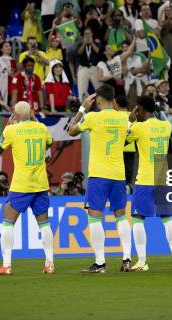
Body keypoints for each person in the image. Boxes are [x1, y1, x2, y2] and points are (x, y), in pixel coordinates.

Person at [68, 85, 132, 273]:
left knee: (95, 217)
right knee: (121, 216)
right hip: (119, 174)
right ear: (113, 99)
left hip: (99, 174)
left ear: (96, 101)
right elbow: (129, 132)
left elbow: (70, 130)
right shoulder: (124, 117)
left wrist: (82, 109)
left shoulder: (92, 117)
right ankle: (127, 259)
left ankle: (100, 263)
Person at [0, 101, 55, 275]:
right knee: (44, 224)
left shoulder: (11, 130)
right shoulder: (41, 127)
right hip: (41, 183)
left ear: (15, 114)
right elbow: (49, 143)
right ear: (31, 112)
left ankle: (6, 265)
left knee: (7, 222)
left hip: (22, 184)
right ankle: (49, 263)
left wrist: (6, 129)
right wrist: (34, 122)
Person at [127, 96, 172, 271]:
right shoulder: (165, 126)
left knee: (137, 219)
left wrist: (130, 121)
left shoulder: (139, 127)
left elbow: (124, 138)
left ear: (141, 109)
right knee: (168, 219)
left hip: (145, 180)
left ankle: (142, 261)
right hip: (163, 179)